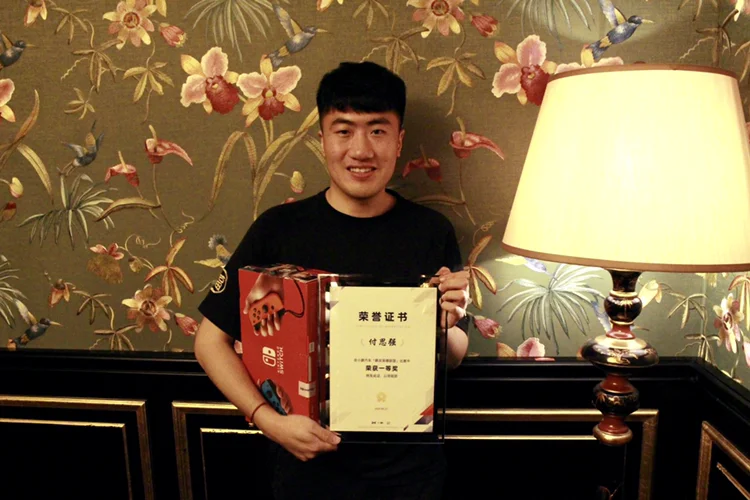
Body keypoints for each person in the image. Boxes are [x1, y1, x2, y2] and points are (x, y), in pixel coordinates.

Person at [194, 60, 471, 500]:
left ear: (399, 141)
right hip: (307, 472)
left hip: (410, 473)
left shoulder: (431, 231)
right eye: (343, 130)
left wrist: (446, 324)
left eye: (377, 130)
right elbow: (209, 342)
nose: (361, 150)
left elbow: (453, 356)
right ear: (322, 139)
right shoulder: (278, 230)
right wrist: (268, 421)